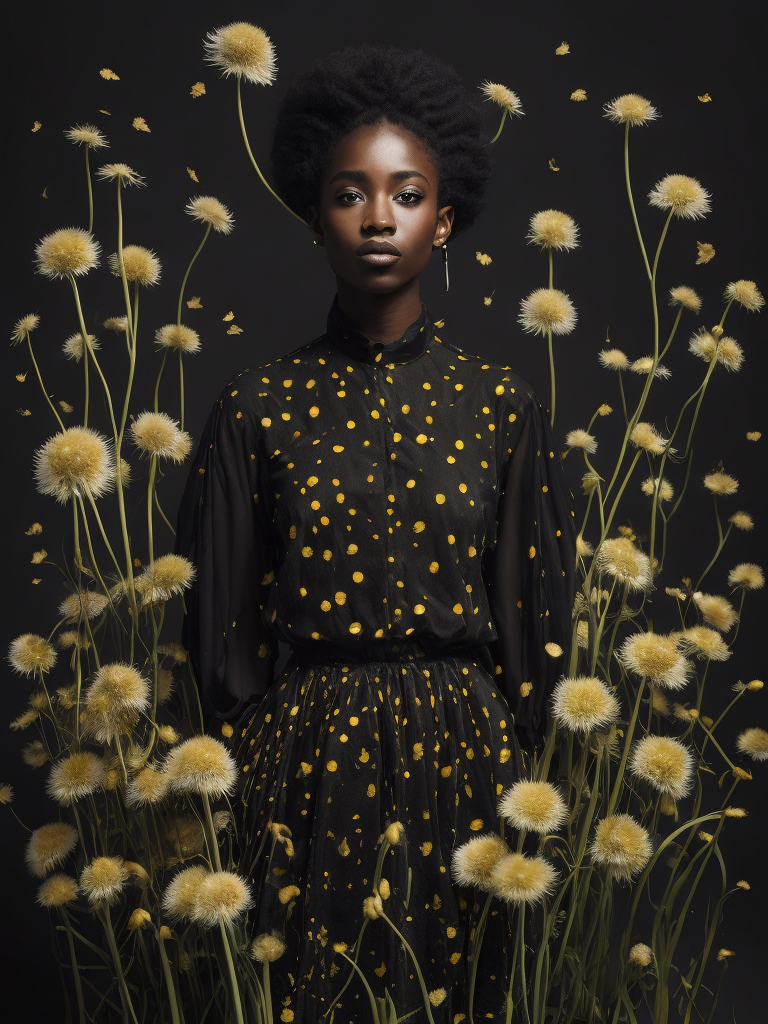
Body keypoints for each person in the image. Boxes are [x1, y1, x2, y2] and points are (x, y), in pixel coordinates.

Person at [176, 43, 575, 1023]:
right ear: (317, 216)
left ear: (445, 218)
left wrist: (533, 771)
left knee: (469, 989)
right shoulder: (256, 408)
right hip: (307, 746)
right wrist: (262, 751)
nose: (380, 217)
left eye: (406, 193)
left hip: (468, 741)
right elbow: (218, 625)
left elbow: (535, 617)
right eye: (353, 193)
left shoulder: (498, 405)